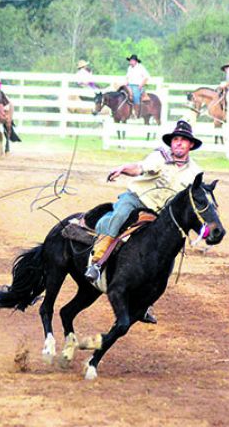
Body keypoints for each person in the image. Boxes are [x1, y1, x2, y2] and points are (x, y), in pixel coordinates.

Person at [85, 120, 204, 322]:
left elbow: (191, 203)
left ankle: (146, 302)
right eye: (176, 139)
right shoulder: (160, 157)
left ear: (191, 145)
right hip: (137, 200)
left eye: (184, 140)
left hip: (161, 214)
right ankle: (97, 263)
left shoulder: (195, 173)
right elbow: (140, 168)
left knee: (167, 252)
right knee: (119, 217)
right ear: (171, 142)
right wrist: (123, 168)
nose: (179, 143)